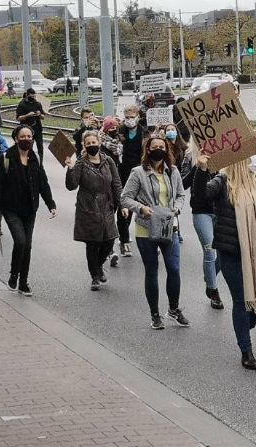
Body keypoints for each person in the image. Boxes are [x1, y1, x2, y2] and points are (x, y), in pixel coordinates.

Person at [194, 153, 256, 370]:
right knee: (241, 302)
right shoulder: (222, 181)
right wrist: (202, 171)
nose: (253, 159)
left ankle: (243, 325)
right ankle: (246, 350)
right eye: (248, 155)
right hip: (232, 250)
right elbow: (200, 199)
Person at [120, 136, 188, 329]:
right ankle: (155, 314)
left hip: (169, 227)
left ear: (167, 150)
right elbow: (125, 198)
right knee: (152, 271)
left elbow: (181, 195)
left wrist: (177, 207)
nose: (158, 149)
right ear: (147, 150)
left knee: (174, 269)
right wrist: (141, 208)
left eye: (162, 147)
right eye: (154, 147)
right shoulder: (137, 173)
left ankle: (173, 309)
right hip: (146, 228)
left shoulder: (173, 172)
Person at [0, 125, 58, 297]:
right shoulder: (6, 158)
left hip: (30, 208)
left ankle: (23, 282)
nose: (27, 139)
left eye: (29, 136)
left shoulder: (36, 158)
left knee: (27, 246)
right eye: (23, 136)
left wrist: (51, 204)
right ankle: (14, 274)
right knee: (20, 241)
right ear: (16, 139)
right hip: (10, 208)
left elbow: (43, 183)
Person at [66, 130, 123, 290]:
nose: (92, 145)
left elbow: (116, 183)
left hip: (107, 205)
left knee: (109, 240)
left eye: (94, 142)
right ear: (84, 145)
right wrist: (70, 169)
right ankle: (95, 277)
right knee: (92, 243)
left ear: (99, 143)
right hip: (88, 207)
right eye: (88, 143)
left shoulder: (108, 161)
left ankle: (97, 267)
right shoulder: (80, 162)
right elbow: (72, 185)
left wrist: (122, 203)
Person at [182, 138, 224, 310]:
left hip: (221, 213)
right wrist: (199, 169)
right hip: (202, 213)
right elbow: (183, 184)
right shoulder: (198, 167)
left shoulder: (226, 169)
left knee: (222, 252)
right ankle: (213, 290)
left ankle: (210, 277)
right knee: (210, 250)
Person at [116, 105, 146, 258]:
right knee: (124, 208)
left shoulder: (144, 131)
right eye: (126, 116)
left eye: (131, 116)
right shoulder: (119, 131)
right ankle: (124, 241)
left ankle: (150, 239)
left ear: (138, 116)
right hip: (123, 173)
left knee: (144, 207)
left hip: (141, 175)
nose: (128, 119)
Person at [15, 88, 46, 162]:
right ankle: (28, 162)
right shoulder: (22, 104)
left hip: (37, 129)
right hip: (26, 130)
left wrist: (39, 115)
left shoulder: (37, 104)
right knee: (29, 148)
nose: (32, 98)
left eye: (34, 96)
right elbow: (18, 118)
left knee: (40, 147)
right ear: (27, 95)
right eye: (31, 97)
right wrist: (27, 115)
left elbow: (43, 117)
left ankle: (40, 163)